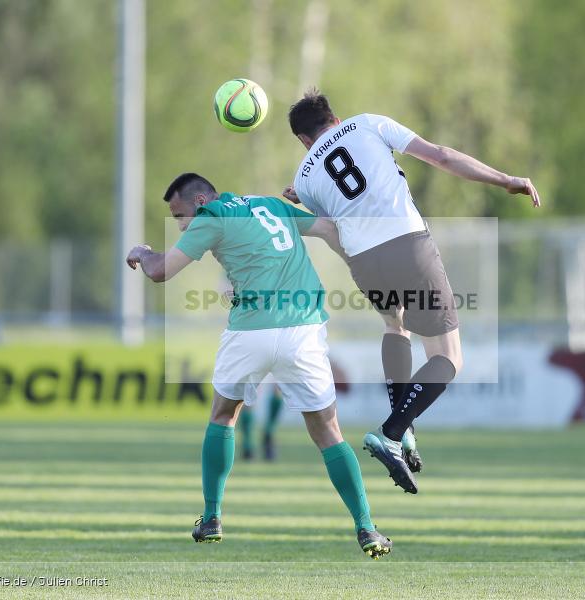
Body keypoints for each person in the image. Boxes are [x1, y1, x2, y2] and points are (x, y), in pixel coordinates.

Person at [284, 91, 540, 494]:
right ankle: (391, 432)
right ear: (334, 118)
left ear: (303, 139)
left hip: (364, 261)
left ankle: (404, 433)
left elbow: (329, 222)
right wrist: (505, 179)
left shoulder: (302, 176)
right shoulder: (367, 122)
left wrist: (308, 201)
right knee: (449, 357)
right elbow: (440, 155)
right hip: (407, 244)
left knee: (395, 325)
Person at [125, 172, 392, 558]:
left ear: (200, 202)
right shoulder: (270, 204)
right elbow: (330, 229)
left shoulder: (211, 217)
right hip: (303, 329)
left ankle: (212, 516)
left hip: (250, 330)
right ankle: (366, 527)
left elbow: (160, 271)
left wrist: (142, 251)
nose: (181, 225)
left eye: (179, 215)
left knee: (222, 416)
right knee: (329, 432)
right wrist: (362, 265)